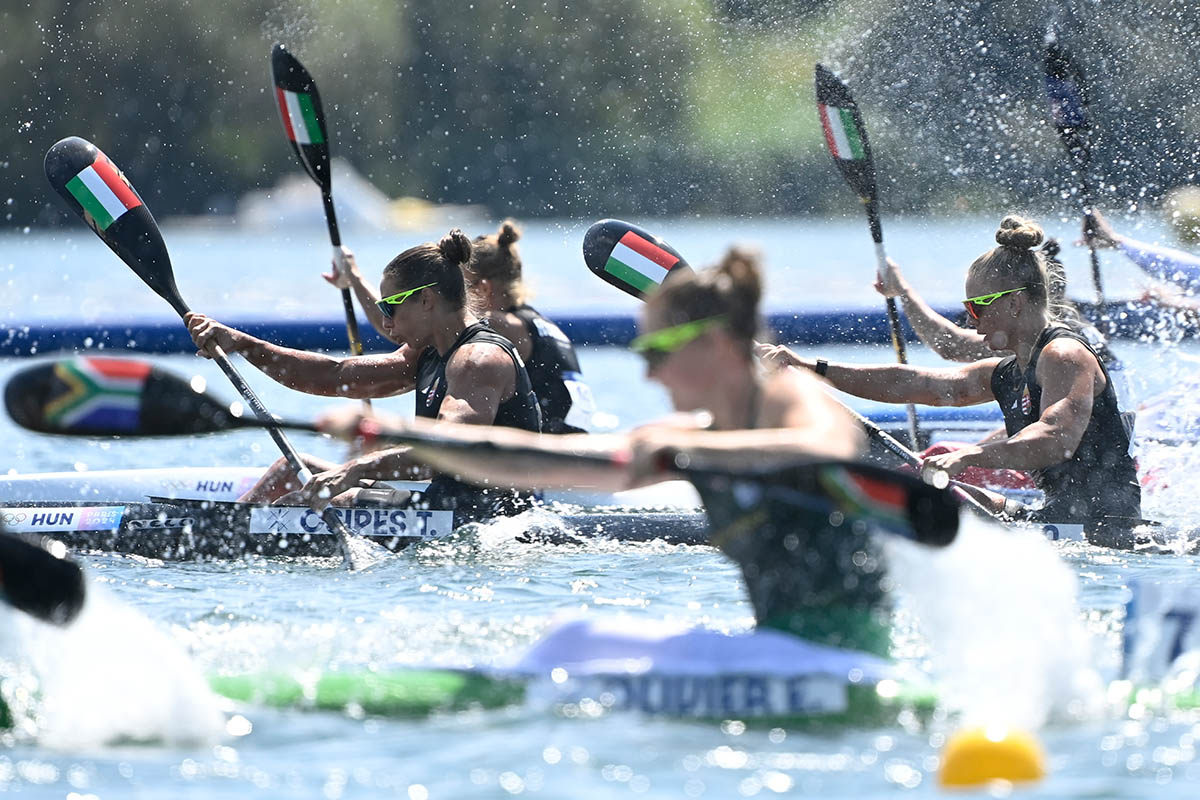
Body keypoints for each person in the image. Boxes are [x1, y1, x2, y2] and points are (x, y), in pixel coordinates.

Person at [322, 248, 905, 656]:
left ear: (713, 345)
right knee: (572, 639)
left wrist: (685, 451)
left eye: (655, 353)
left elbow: (825, 446)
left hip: (845, 656)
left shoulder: (788, 396)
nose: (648, 376)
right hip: (782, 648)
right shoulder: (693, 434)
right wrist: (397, 437)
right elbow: (533, 461)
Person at [762, 216, 1141, 524]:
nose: (971, 320)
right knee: (930, 493)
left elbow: (1056, 438)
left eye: (978, 307)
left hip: (1106, 526)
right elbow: (918, 384)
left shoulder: (1063, 354)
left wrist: (968, 457)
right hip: (1057, 517)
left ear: (1015, 304)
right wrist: (811, 367)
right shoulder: (1009, 370)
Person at [185, 229, 541, 519]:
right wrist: (244, 345)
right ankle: (223, 528)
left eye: (391, 306)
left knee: (326, 501)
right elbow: (334, 375)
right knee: (292, 468)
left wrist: (354, 470)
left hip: (491, 518)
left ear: (427, 300)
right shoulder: (428, 353)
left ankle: (218, 539)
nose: (385, 322)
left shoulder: (478, 359)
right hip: (444, 505)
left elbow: (446, 450)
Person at [327, 220, 595, 433]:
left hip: (545, 466)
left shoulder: (502, 328)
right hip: (570, 455)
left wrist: (356, 278)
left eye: (459, 286)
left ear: (484, 288)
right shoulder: (535, 323)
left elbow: (396, 331)